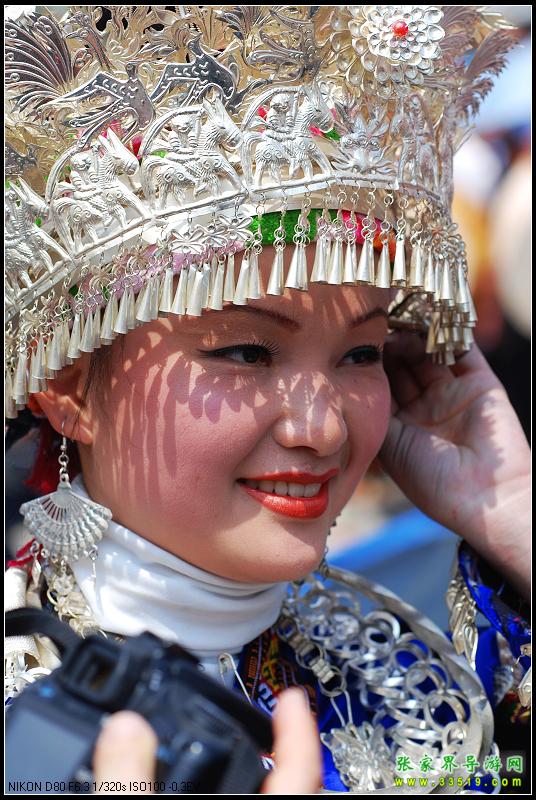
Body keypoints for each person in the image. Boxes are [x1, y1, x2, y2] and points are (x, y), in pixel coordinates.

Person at [5, 5, 530, 794]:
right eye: (246, 352)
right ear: (68, 384)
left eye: (361, 353)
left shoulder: (407, 686)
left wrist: (514, 512)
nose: (322, 428)